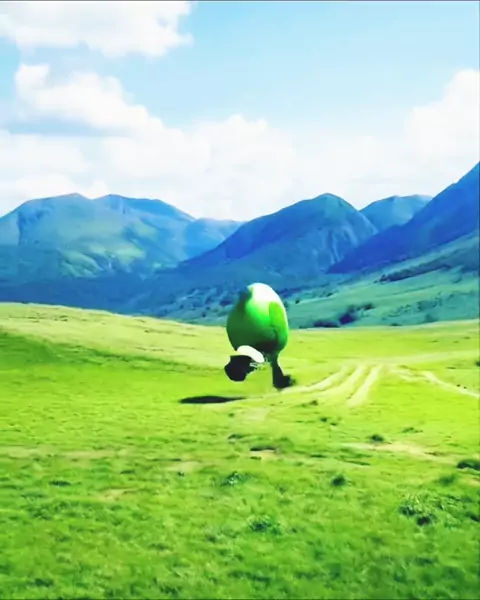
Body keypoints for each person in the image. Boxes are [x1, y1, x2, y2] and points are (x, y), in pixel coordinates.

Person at [224, 282, 294, 389]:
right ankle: (279, 382)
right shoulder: (271, 343)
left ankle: (278, 381)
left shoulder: (242, 339)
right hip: (261, 336)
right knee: (269, 355)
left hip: (245, 336)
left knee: (265, 355)